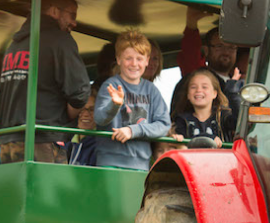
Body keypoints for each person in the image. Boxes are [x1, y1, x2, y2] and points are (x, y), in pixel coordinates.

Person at [0, 0, 90, 163]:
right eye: (72, 15)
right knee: (48, 190)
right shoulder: (60, 40)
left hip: (7, 142)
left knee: (16, 190)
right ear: (54, 11)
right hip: (42, 139)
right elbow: (80, 93)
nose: (74, 23)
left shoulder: (13, 46)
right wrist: (68, 118)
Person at [93, 31, 171, 172]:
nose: (134, 64)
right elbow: (99, 118)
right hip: (109, 162)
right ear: (118, 59)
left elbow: (164, 124)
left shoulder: (151, 90)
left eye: (139, 59)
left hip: (141, 165)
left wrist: (133, 130)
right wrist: (114, 105)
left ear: (147, 60)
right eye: (128, 58)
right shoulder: (110, 85)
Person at [170, 69, 236, 145]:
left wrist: (232, 92)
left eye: (204, 87)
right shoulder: (181, 120)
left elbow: (239, 123)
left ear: (214, 93)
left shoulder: (223, 116)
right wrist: (209, 138)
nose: (198, 90)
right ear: (188, 94)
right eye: (193, 87)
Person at [66, 85, 100, 167]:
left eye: (91, 109)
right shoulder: (67, 141)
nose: (85, 114)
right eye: (82, 109)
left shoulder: (100, 146)